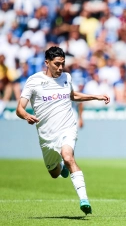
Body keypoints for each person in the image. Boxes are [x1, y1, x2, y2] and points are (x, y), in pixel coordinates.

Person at [16, 46, 110, 215]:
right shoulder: (34, 81)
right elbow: (19, 109)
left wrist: (95, 96)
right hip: (46, 135)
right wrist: (26, 116)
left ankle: (84, 200)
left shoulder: (66, 77)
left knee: (68, 156)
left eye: (63, 64)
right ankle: (61, 166)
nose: (60, 68)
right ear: (47, 63)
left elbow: (72, 96)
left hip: (67, 127)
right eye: (57, 64)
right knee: (54, 173)